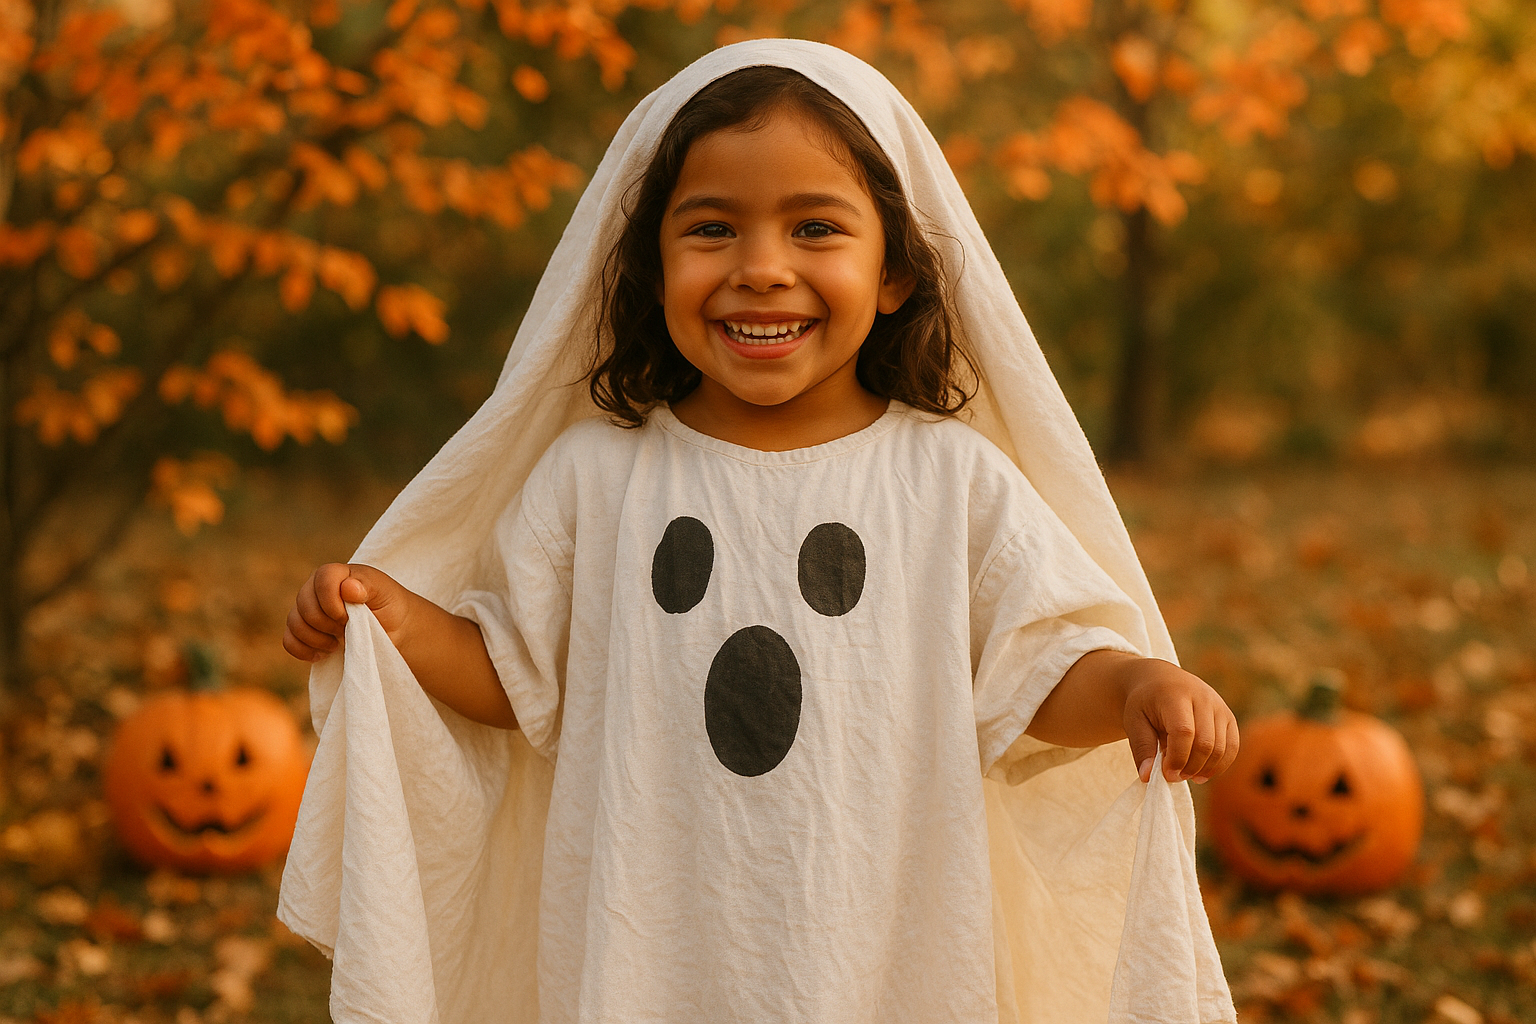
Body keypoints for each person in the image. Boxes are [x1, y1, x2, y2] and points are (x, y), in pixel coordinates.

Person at [278, 40, 1239, 1024]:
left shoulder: (948, 483)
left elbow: (1038, 668)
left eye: (816, 226)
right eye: (712, 229)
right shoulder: (597, 478)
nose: (762, 269)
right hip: (650, 938)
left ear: (898, 270)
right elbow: (514, 670)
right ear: (653, 267)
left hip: (886, 942)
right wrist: (394, 621)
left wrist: (1134, 684)